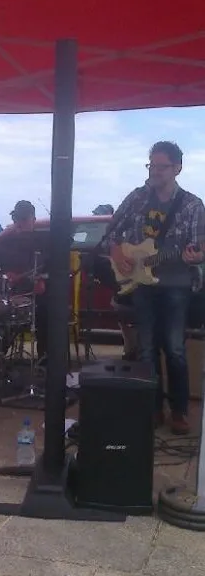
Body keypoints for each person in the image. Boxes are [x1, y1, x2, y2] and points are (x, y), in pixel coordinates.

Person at [105, 141, 205, 434]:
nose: (155, 171)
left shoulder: (191, 205)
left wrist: (196, 255)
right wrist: (117, 252)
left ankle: (179, 411)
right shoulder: (138, 198)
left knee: (174, 348)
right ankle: (152, 408)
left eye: (161, 166)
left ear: (177, 168)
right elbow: (113, 231)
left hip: (176, 283)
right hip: (142, 284)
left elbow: (201, 246)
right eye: (151, 165)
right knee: (146, 349)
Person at [0, 200, 50, 359]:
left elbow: (53, 266)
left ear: (33, 219)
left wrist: (42, 279)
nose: (19, 223)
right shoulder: (3, 242)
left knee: (47, 310)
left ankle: (44, 358)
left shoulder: (45, 240)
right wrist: (3, 278)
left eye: (23, 219)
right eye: (16, 219)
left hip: (37, 294)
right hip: (9, 293)